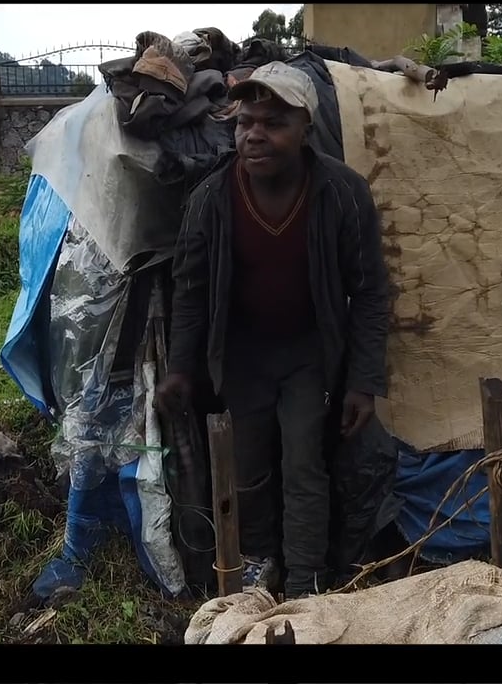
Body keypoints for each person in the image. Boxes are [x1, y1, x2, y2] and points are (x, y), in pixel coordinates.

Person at [155, 61, 391, 599]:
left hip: (309, 354)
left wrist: (363, 382)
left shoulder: (342, 193)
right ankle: (261, 564)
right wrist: (181, 371)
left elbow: (371, 290)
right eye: (244, 122)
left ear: (306, 126)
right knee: (248, 468)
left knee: (306, 464)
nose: (254, 134)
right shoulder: (211, 200)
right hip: (241, 356)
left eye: (273, 123)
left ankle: (306, 579)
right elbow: (189, 292)